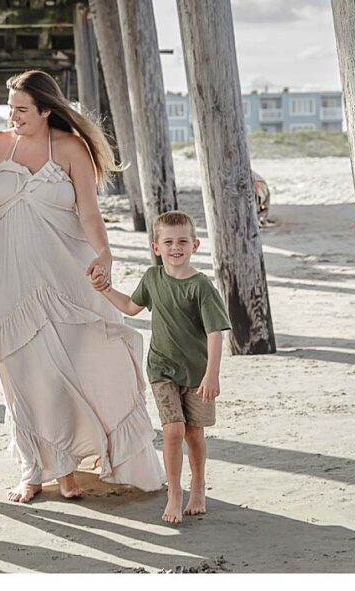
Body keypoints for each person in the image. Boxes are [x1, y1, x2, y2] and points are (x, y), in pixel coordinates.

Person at [0, 70, 164, 504]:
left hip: (67, 271)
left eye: (23, 109)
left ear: (46, 110)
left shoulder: (70, 149)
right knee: (22, 371)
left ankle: (69, 466)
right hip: (7, 275)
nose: (13, 116)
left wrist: (105, 254)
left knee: (82, 360)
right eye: (10, 108)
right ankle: (35, 468)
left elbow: (89, 213)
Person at [98, 210, 231, 523]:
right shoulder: (152, 278)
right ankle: (174, 493)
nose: (176, 247)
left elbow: (215, 333)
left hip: (198, 373)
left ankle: (197, 486)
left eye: (183, 241)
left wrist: (212, 374)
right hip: (162, 369)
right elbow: (132, 307)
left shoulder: (201, 287)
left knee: (194, 433)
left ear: (195, 245)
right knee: (173, 430)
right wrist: (104, 290)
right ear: (156, 247)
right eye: (168, 242)